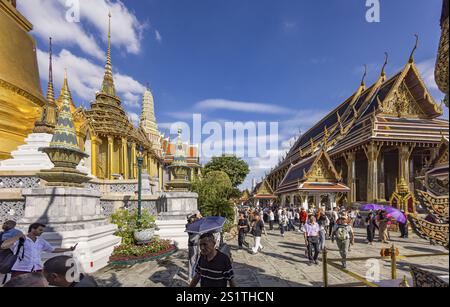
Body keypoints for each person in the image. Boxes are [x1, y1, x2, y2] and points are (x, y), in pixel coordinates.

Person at [0, 223, 77, 279]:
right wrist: (18, 236)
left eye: (42, 230)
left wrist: (69, 249)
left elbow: (52, 249)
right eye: (40, 230)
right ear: (33, 229)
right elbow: (3, 246)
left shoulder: (41, 241)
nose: (42, 232)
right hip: (20, 270)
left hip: (37, 270)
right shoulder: (20, 239)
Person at [186, 212, 202, 282]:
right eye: (193, 217)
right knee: (191, 261)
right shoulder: (188, 225)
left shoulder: (195, 224)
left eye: (194, 217)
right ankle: (190, 277)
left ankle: (194, 275)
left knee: (197, 261)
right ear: (190, 218)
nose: (194, 218)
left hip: (198, 244)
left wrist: (200, 218)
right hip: (192, 245)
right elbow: (192, 234)